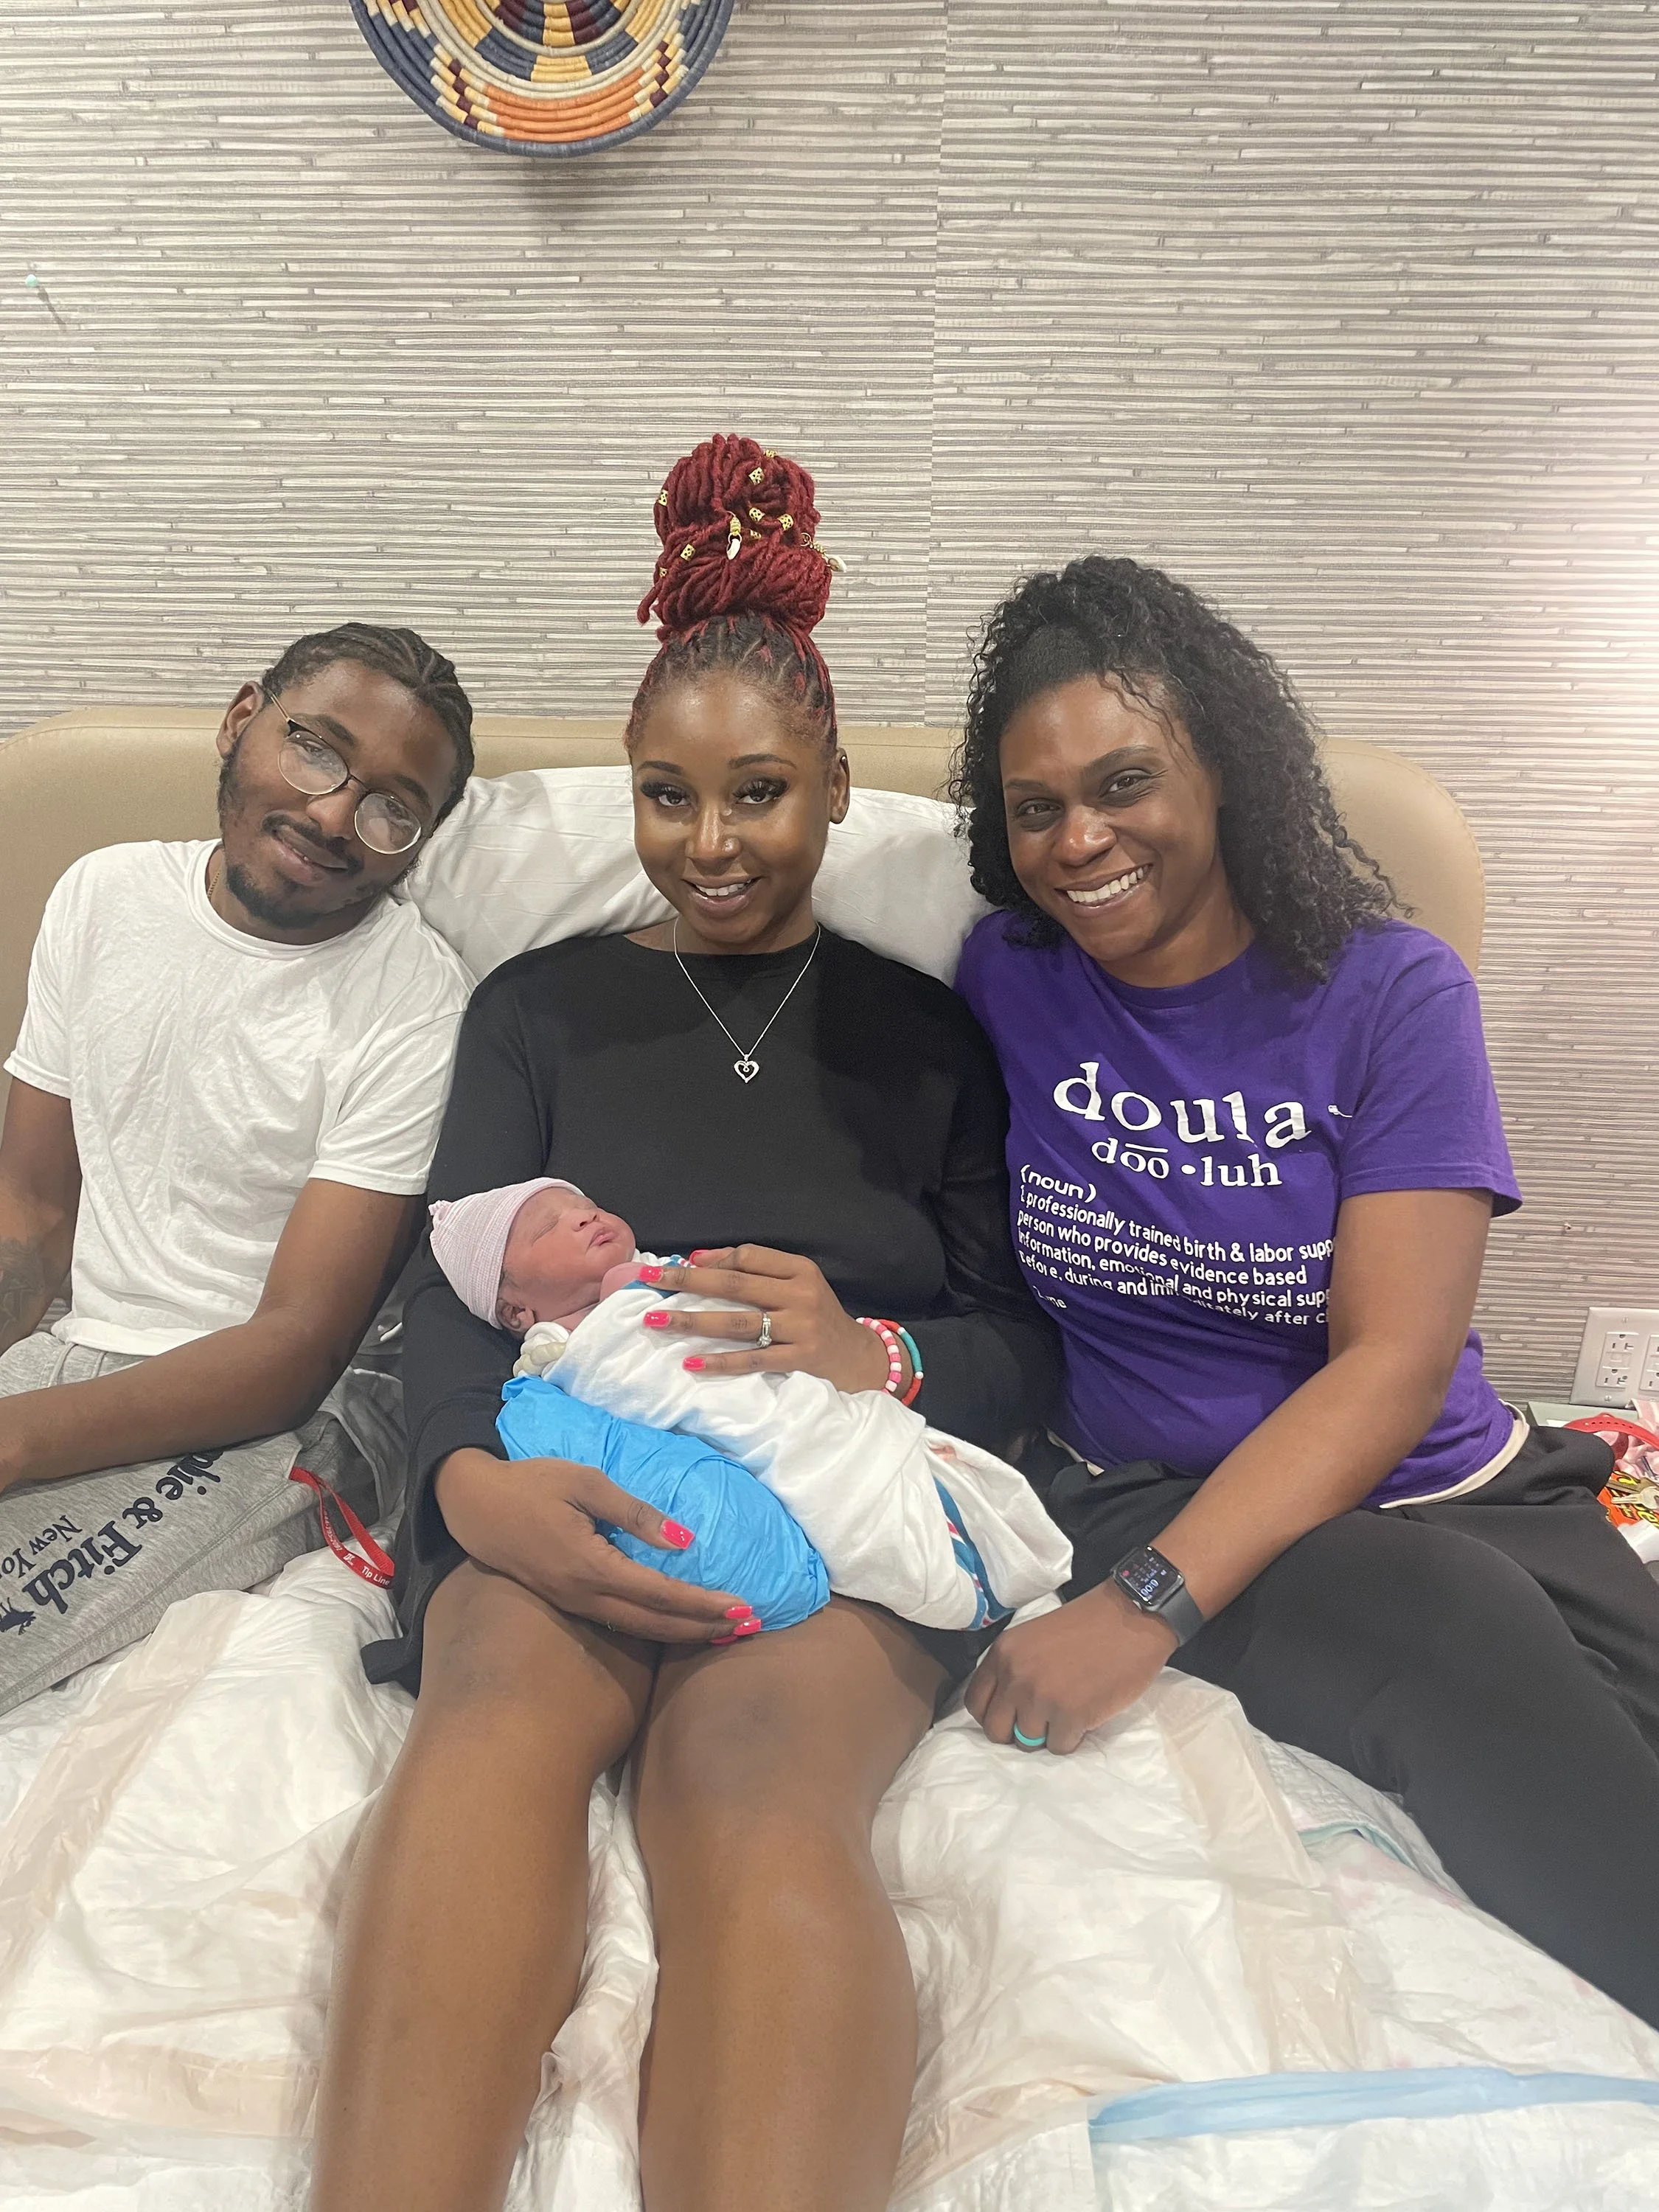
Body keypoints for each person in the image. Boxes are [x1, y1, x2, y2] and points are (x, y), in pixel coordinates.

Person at [314, 435, 1060, 2212]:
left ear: (831, 789)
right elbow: (447, 1277)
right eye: (667, 795)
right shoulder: (536, 1011)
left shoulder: (926, 1034)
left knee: (749, 1784)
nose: (710, 843)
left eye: (757, 793)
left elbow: (1022, 1343)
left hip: (832, 1488)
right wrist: (469, 1487)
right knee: (491, 1702)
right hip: (565, 1463)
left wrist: (874, 1352)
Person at [947, 554, 1659, 2028]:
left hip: (1460, 1481)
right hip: (1155, 1491)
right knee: (1453, 1633)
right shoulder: (1004, 976)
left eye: (1125, 782)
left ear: (1223, 770)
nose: (1081, 841)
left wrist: (1144, 1614)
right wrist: (1140, 1599)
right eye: (1036, 808)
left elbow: (1394, 1364)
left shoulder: (1392, 990)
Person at [0, 624, 474, 1708]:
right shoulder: (102, 897)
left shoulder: (414, 1001)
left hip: (272, 1422)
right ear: (240, 717)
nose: (332, 817)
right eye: (316, 750)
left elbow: (291, 1353)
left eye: (394, 809)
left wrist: (16, 1439)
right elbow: (28, 1211)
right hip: (72, 1352)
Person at [425, 1174, 1068, 1634]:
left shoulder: (654, 1281)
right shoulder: (561, 1361)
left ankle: (950, 1546)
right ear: (514, 1310)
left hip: (805, 1415)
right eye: (550, 1228)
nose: (586, 1218)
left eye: (587, 1206)